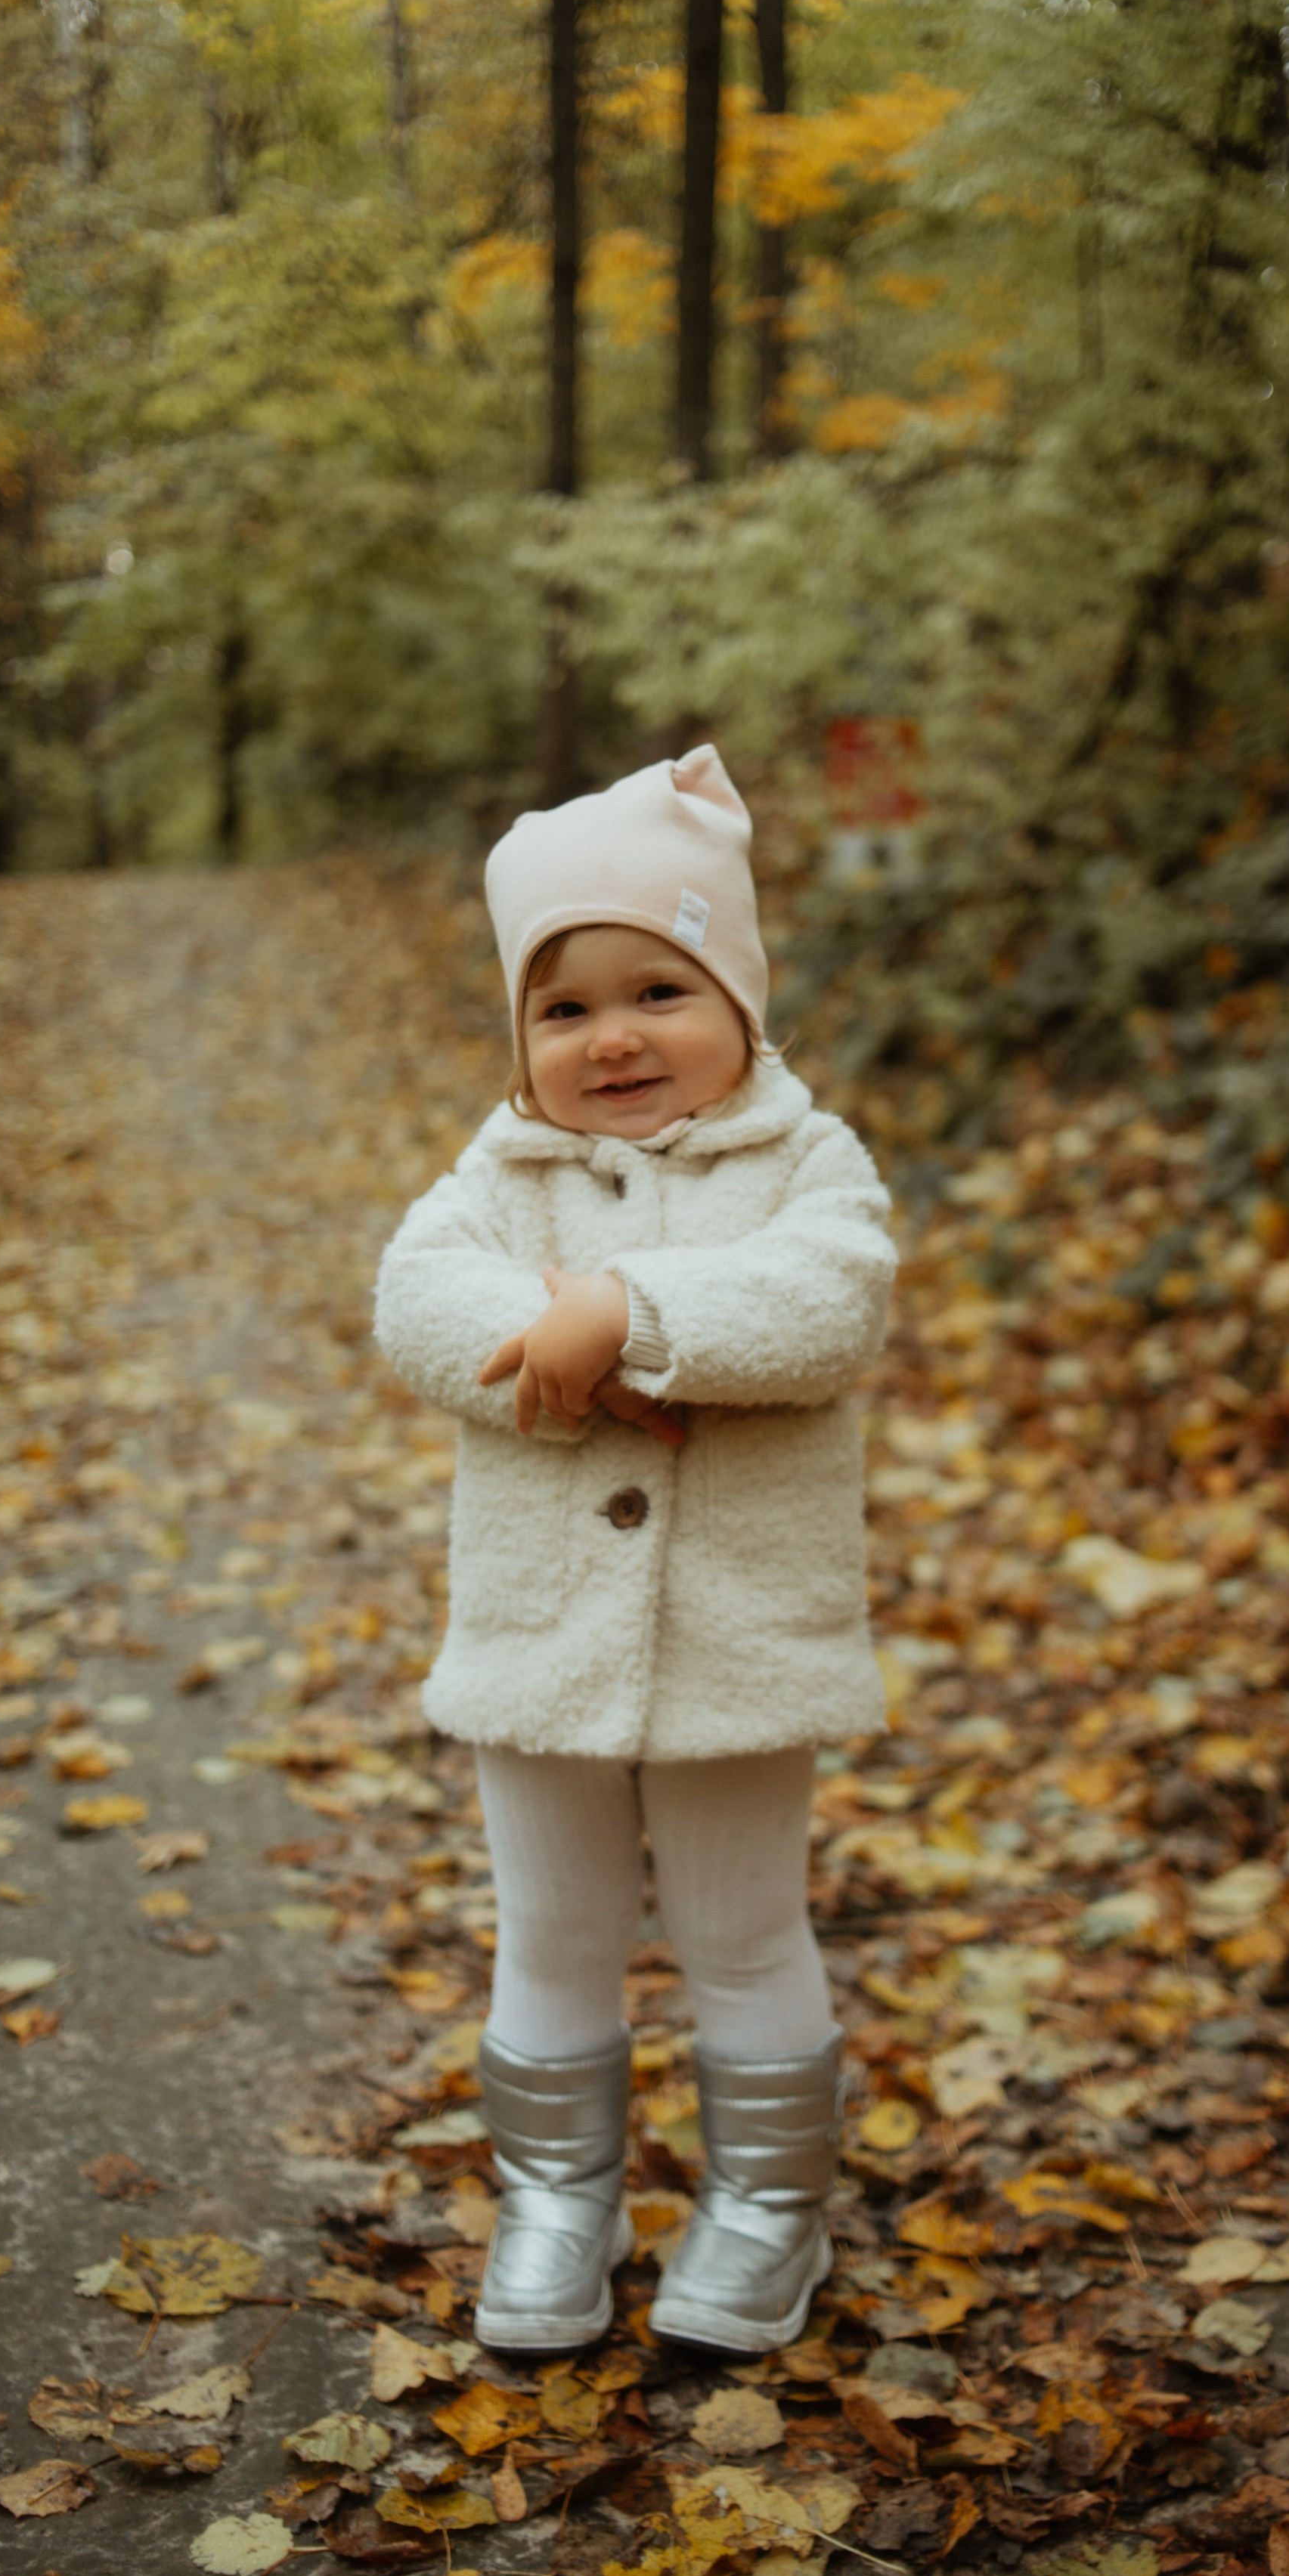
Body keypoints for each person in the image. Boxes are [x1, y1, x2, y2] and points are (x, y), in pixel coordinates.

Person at [373, 745, 896, 2356]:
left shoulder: (805, 1161)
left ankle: (762, 2207)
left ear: (738, 996)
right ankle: (557, 2198)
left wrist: (635, 1315)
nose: (612, 1037)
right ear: (521, 1040)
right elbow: (413, 1301)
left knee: (743, 1931)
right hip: (539, 1641)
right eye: (564, 1007)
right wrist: (551, 1338)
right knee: (552, 1930)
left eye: (656, 989)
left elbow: (827, 1302)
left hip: (741, 1636)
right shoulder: (498, 1174)